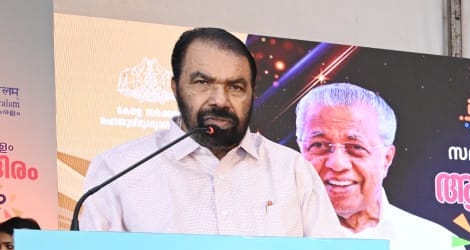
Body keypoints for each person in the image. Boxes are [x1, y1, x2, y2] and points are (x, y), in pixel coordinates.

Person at [79, 27, 339, 237]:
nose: (220, 101)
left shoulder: (292, 171)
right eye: (202, 82)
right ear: (176, 88)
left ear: (252, 94)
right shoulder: (117, 170)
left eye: (235, 87)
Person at [295, 83, 470, 250]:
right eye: (318, 145)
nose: (337, 164)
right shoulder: (275, 236)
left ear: (386, 159)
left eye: (356, 148)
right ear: (301, 151)